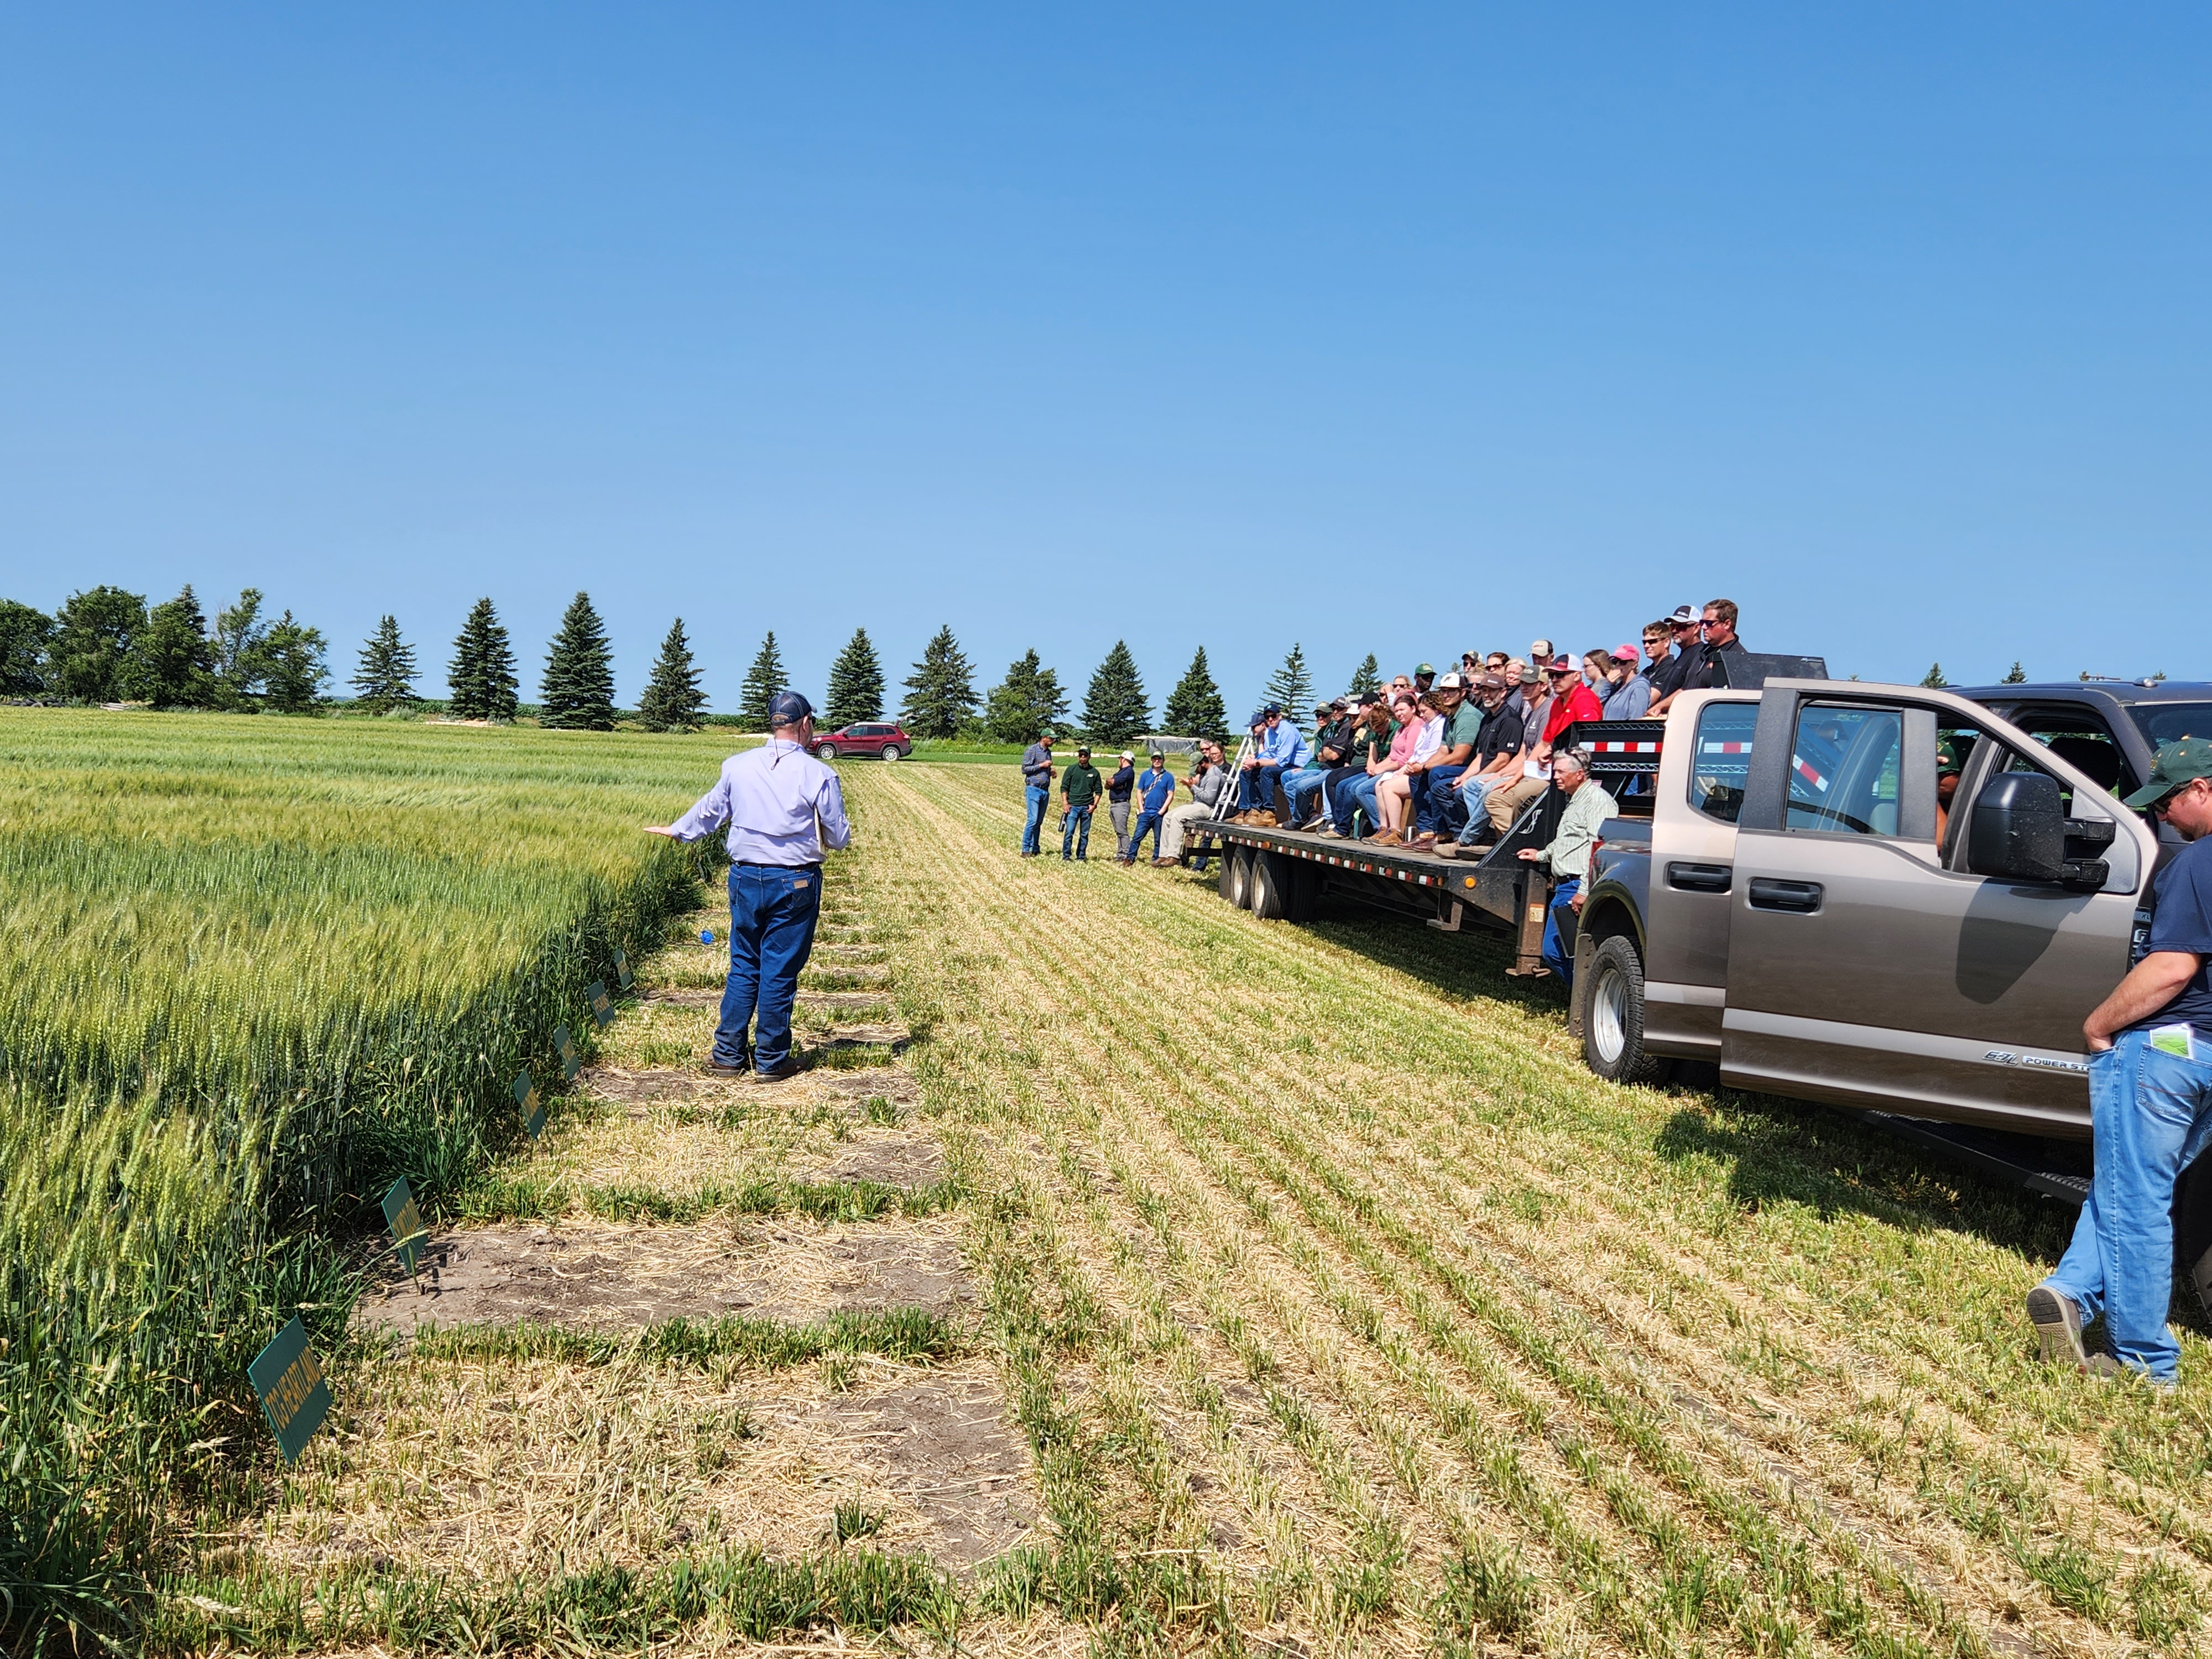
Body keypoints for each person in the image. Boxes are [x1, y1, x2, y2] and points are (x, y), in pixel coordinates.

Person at [2030, 740, 2212, 1386]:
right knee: (2132, 1187)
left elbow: (2173, 966)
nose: (2163, 816)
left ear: (2201, 788)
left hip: (2166, 1052)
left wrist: (2099, 1024)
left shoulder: (2198, 863)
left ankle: (2144, 1360)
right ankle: (2072, 1292)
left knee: (2138, 1200)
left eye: (2167, 800)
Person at [645, 690, 851, 1081]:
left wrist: (677, 830)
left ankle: (727, 1056)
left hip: (743, 877)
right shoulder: (819, 774)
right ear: (805, 724)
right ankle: (772, 1060)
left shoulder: (736, 766)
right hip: (795, 881)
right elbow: (838, 839)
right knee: (779, 969)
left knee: (744, 964)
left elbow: (711, 811)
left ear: (773, 723)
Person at [1515, 746, 1616, 987]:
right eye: (1555, 771)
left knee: (1560, 952)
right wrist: (1542, 855)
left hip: (1576, 887)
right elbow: (1568, 841)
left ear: (1580, 774)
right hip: (1566, 886)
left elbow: (1600, 846)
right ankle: (1581, 1001)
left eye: (1561, 772)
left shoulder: (1597, 801)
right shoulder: (1575, 800)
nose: (1556, 776)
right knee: (1561, 952)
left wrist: (1584, 890)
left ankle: (1584, 1002)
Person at [1439, 674, 1525, 855]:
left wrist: (1476, 779)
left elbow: (1504, 759)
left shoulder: (1509, 719)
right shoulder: (1487, 718)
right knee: (1446, 787)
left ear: (1503, 693)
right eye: (1484, 690)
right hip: (1486, 772)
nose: (1487, 694)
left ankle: (1469, 838)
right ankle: (1477, 835)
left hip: (1504, 773)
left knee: (1469, 788)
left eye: (1492, 691)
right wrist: (1463, 777)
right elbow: (1480, 756)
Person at [1407, 672, 1481, 848]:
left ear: (1463, 693)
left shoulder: (1468, 716)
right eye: (1443, 691)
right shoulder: (1451, 717)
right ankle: (1426, 830)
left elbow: (1460, 756)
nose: (1446, 695)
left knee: (1436, 772)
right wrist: (1420, 766)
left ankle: (1444, 832)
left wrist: (1425, 766)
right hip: (1459, 766)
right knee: (1417, 776)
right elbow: (1443, 751)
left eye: (1451, 691)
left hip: (1473, 767)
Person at [1648, 599, 1747, 718]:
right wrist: (1660, 706)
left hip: (1711, 726)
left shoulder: (1738, 658)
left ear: (1727, 624)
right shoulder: (1701, 652)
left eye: (1709, 623)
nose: (1704, 627)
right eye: (1702, 622)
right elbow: (1687, 689)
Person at [1374, 694, 1442, 846]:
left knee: (1388, 786)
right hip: (1413, 767)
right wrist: (1402, 769)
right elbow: (1416, 753)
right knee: (1380, 784)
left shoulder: (1433, 726)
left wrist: (1408, 768)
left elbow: (1433, 752)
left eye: (1424, 711)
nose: (1422, 715)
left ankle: (1396, 831)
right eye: (1396, 711)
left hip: (1425, 769)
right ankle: (1385, 829)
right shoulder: (1423, 726)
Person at [1287, 700, 1357, 828]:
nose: (1335, 712)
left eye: (1339, 709)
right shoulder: (1334, 728)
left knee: (1302, 786)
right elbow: (1320, 755)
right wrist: (1325, 752)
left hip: (1335, 770)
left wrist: (1325, 751)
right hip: (1326, 768)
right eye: (1334, 709)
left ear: (1347, 710)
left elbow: (1333, 755)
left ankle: (1323, 819)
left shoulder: (1346, 727)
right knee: (1289, 782)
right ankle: (1308, 817)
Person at [1236, 706, 1309, 823]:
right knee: (1247, 772)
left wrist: (1257, 763)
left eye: (1273, 716)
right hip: (1284, 765)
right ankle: (1254, 811)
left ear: (1280, 716)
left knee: (1267, 772)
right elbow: (1269, 754)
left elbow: (1282, 761)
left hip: (1298, 767)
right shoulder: (1270, 732)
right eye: (1267, 717)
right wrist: (1252, 762)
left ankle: (1269, 813)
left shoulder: (1287, 731)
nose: (1270, 719)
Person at [1164, 740, 1230, 865]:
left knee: (1179, 818)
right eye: (1203, 750)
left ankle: (1176, 856)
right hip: (1199, 803)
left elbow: (1209, 799)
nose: (1208, 753)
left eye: (1208, 750)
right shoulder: (1205, 772)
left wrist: (1193, 786)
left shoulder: (1215, 774)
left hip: (1210, 808)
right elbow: (1198, 795)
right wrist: (1192, 785)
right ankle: (1165, 854)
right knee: (1168, 817)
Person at [1645, 607, 1701, 706]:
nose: (1674, 631)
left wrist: (1658, 707)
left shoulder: (1700, 653)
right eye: (1672, 627)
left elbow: (1688, 689)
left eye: (1681, 627)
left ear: (1696, 628)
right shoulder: (1682, 656)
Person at [1127, 751, 1176, 864]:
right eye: (1155, 759)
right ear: (1152, 760)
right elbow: (1139, 792)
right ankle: (1130, 858)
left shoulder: (1168, 777)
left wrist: (1162, 810)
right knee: (1137, 837)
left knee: (1159, 839)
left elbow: (1171, 795)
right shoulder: (1145, 775)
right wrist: (1141, 808)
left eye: (1159, 759)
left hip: (1159, 813)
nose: (1157, 761)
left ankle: (1156, 860)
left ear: (1163, 761)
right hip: (1146, 812)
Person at [1061, 745, 1103, 860]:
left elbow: (1099, 791)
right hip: (1073, 806)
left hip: (1087, 807)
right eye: (1081, 755)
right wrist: (1065, 803)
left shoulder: (1094, 772)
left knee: (1084, 834)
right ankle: (1066, 856)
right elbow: (1064, 787)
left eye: (1085, 755)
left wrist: (1094, 805)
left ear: (1089, 756)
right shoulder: (1071, 770)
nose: (1083, 757)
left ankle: (1081, 856)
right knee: (1069, 831)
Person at [1020, 732, 1056, 856]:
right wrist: (1042, 765)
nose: (1053, 741)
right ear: (1044, 738)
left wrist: (1050, 771)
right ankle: (1025, 849)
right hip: (1033, 789)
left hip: (1045, 790)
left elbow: (1044, 769)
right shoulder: (1032, 750)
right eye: (1051, 739)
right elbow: (1025, 769)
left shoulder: (1048, 752)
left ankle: (1035, 847)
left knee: (1039, 822)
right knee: (1033, 819)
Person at [1105, 750, 1136, 859]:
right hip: (1115, 804)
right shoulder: (1121, 772)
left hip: (1121, 804)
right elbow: (1108, 785)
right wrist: (1111, 782)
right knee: (1118, 830)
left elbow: (1112, 783)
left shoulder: (1128, 772)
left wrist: (1110, 781)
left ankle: (1126, 854)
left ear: (1123, 759)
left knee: (1122, 831)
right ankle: (1121, 853)